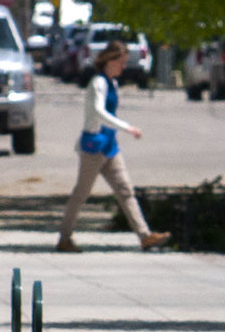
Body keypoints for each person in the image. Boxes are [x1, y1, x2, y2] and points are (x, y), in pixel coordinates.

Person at [57, 41, 170, 251]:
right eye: (121, 62)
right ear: (110, 60)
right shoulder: (98, 83)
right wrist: (128, 127)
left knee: (125, 190)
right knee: (81, 194)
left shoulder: (113, 83)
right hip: (94, 145)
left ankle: (145, 235)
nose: (124, 67)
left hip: (110, 145)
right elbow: (99, 112)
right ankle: (64, 238)